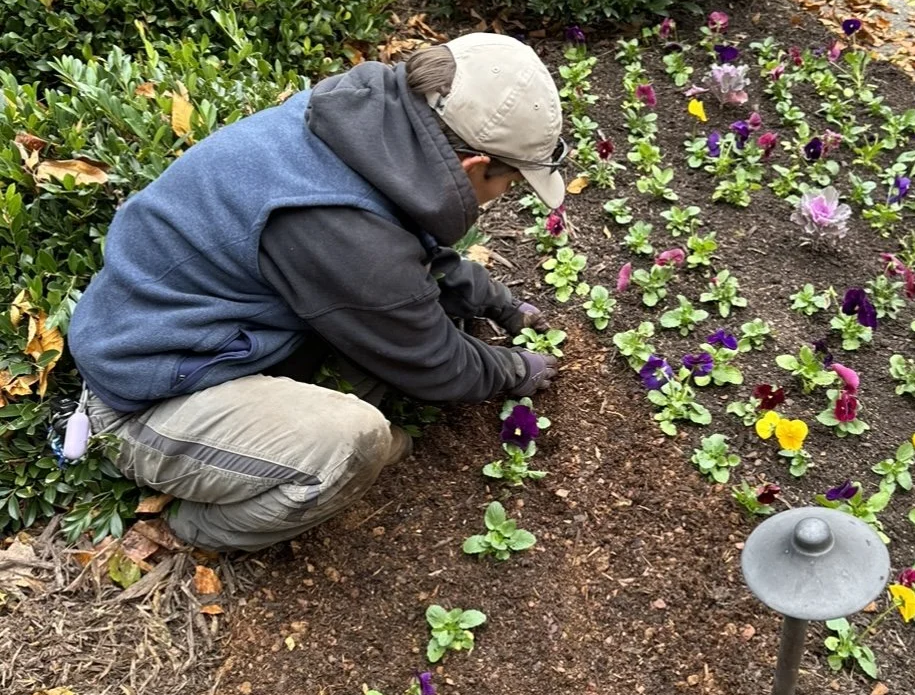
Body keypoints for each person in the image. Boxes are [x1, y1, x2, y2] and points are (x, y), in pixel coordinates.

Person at [66, 33, 565, 551]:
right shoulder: (339, 231)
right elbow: (435, 361)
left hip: (174, 323)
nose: (500, 198)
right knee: (352, 446)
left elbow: (411, 253)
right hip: (146, 397)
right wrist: (514, 370)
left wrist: (497, 303)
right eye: (510, 184)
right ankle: (196, 532)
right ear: (474, 166)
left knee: (381, 372)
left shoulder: (360, 122)